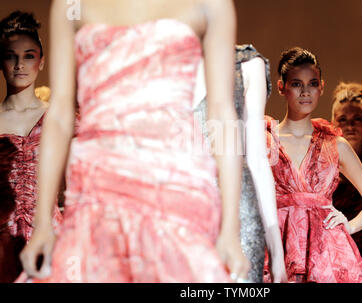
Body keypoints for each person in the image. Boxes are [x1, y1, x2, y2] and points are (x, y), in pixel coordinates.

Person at [19, 0, 249, 282]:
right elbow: (59, 115)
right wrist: (43, 221)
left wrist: (230, 228)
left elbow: (223, 114)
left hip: (177, 186)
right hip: (97, 186)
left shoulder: (211, 4)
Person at [264, 47, 362, 283]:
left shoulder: (334, 145)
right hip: (276, 245)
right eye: (297, 84)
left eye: (313, 83)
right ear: (281, 87)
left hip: (326, 253)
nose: (306, 92)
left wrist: (348, 227)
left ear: (321, 87)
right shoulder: (264, 140)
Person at [194, 44, 287, 283]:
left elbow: (257, 160)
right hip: (181, 216)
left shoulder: (246, 64)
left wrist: (277, 253)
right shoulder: (161, 65)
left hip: (240, 217)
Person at [0, 11, 62, 283]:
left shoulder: (60, 118)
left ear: (41, 61)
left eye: (28, 55)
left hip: (52, 238)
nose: (19, 65)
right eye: (11, 56)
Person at [331, 82, 362, 267]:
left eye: (357, 118)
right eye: (343, 119)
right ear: (333, 122)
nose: (350, 125)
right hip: (332, 257)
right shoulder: (324, 168)